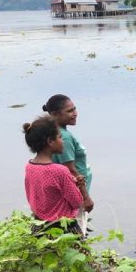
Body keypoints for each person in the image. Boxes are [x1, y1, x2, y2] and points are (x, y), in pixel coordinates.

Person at [23, 116, 88, 235]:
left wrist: (70, 181)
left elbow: (38, 193)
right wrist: (80, 186)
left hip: (39, 226)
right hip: (63, 229)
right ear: (50, 141)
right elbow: (76, 201)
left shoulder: (29, 166)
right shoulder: (60, 171)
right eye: (60, 137)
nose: (62, 141)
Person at [43, 94, 94, 223]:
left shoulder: (57, 132)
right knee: (76, 226)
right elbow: (70, 169)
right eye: (70, 111)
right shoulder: (64, 137)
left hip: (72, 192)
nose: (75, 113)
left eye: (74, 109)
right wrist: (86, 197)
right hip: (76, 193)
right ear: (55, 114)